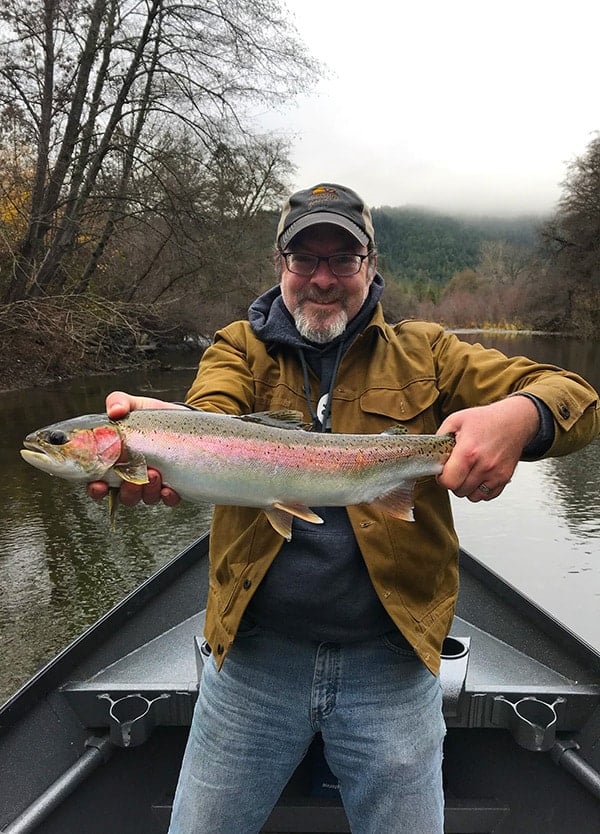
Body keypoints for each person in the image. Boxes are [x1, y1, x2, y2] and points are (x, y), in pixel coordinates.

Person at [88, 183, 599, 834]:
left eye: (343, 259)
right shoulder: (237, 349)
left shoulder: (431, 352)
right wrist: (170, 441)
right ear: (281, 263)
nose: (323, 278)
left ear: (371, 264)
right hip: (250, 665)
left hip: (391, 664)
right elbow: (208, 416)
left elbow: (577, 397)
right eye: (306, 259)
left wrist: (522, 416)